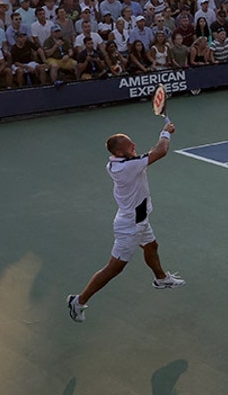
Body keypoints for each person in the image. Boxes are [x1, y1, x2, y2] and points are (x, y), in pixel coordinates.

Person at [67, 121, 185, 323]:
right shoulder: (127, 166)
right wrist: (165, 132)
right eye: (130, 146)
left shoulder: (119, 162)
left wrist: (143, 153)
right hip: (130, 225)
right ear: (120, 153)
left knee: (151, 245)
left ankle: (161, 278)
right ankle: (78, 301)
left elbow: (144, 157)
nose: (134, 147)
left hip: (138, 217)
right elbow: (161, 151)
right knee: (114, 268)